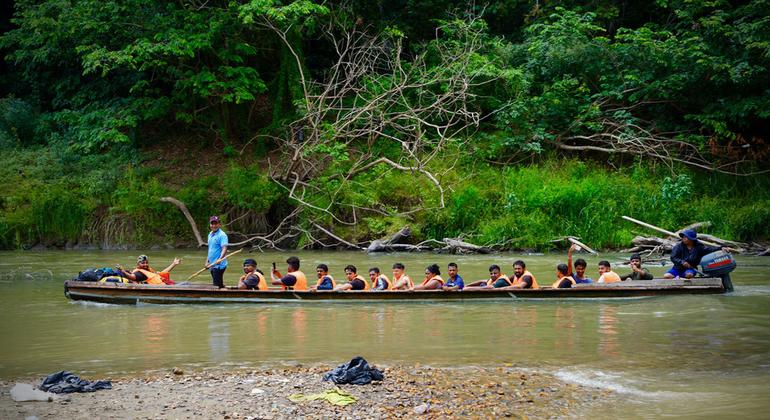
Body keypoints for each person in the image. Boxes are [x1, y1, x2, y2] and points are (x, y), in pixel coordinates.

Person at [664, 229, 732, 279]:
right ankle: (679, 277)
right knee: (667, 276)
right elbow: (673, 257)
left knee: (689, 275)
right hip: (677, 268)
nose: (683, 238)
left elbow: (710, 249)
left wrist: (721, 248)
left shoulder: (699, 247)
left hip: (690, 269)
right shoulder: (678, 246)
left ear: (691, 239)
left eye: (685, 237)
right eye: (683, 237)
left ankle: (681, 278)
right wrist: (682, 262)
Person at [205, 216, 228, 288]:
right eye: (212, 224)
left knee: (216, 286)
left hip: (219, 265)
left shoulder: (222, 235)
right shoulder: (210, 234)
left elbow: (224, 248)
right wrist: (207, 261)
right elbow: (210, 249)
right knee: (218, 284)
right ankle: (222, 289)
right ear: (210, 224)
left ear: (219, 224)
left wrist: (220, 258)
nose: (214, 225)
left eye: (216, 223)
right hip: (212, 264)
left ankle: (219, 296)